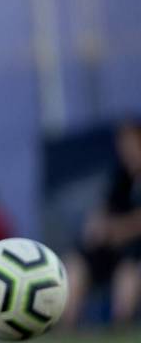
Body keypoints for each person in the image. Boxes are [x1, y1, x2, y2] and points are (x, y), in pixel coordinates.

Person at [63, 120, 141, 328]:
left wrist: (118, 230)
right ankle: (64, 326)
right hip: (114, 244)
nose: (127, 150)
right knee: (77, 260)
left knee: (130, 268)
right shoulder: (121, 175)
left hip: (134, 249)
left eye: (132, 143)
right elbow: (104, 208)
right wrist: (95, 225)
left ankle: (121, 324)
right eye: (123, 144)